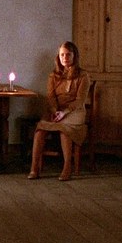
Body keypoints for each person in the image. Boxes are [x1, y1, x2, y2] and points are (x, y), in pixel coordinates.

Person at [27, 41, 91, 181]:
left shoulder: (83, 76)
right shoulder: (53, 75)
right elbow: (51, 97)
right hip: (56, 110)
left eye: (68, 54)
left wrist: (65, 112)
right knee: (40, 130)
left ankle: (67, 168)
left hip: (74, 112)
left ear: (74, 56)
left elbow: (80, 100)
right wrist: (55, 110)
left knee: (64, 130)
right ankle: (34, 168)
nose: (65, 58)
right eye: (62, 55)